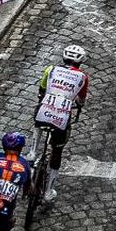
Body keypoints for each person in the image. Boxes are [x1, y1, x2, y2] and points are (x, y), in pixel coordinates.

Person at [34, 45, 90, 203]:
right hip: (62, 118)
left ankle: (32, 152)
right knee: (57, 152)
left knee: (37, 121)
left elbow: (42, 89)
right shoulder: (83, 77)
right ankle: (49, 190)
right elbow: (81, 100)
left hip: (44, 111)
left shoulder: (51, 69)